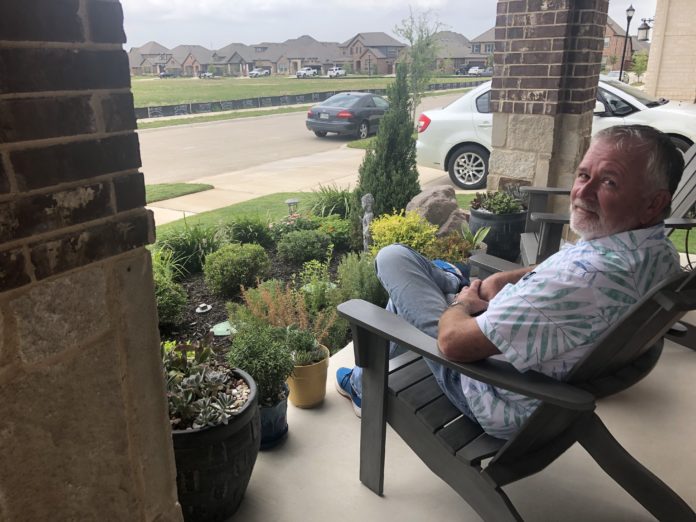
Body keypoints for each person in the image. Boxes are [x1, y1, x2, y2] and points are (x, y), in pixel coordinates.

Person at [336, 124, 685, 439]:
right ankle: (446, 280)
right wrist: (508, 277)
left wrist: (462, 305)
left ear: (653, 203)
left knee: (393, 259)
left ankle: (368, 378)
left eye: (609, 181)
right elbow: (562, 272)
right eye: (583, 174)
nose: (583, 192)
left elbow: (453, 342)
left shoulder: (582, 280)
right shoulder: (655, 253)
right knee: (414, 281)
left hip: (491, 388)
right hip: (519, 348)